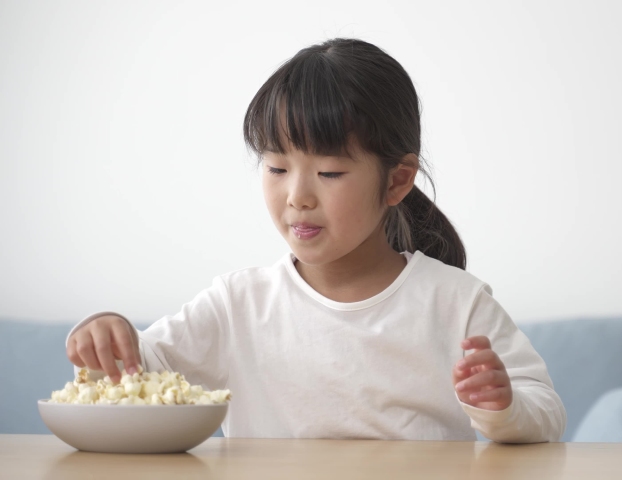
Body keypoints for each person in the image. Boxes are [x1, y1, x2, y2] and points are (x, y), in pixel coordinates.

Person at [65, 37, 567, 443]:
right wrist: (109, 330)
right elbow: (143, 371)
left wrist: (503, 407)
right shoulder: (237, 305)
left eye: (328, 172)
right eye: (277, 167)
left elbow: (543, 409)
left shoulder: (456, 303)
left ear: (396, 180)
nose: (297, 196)